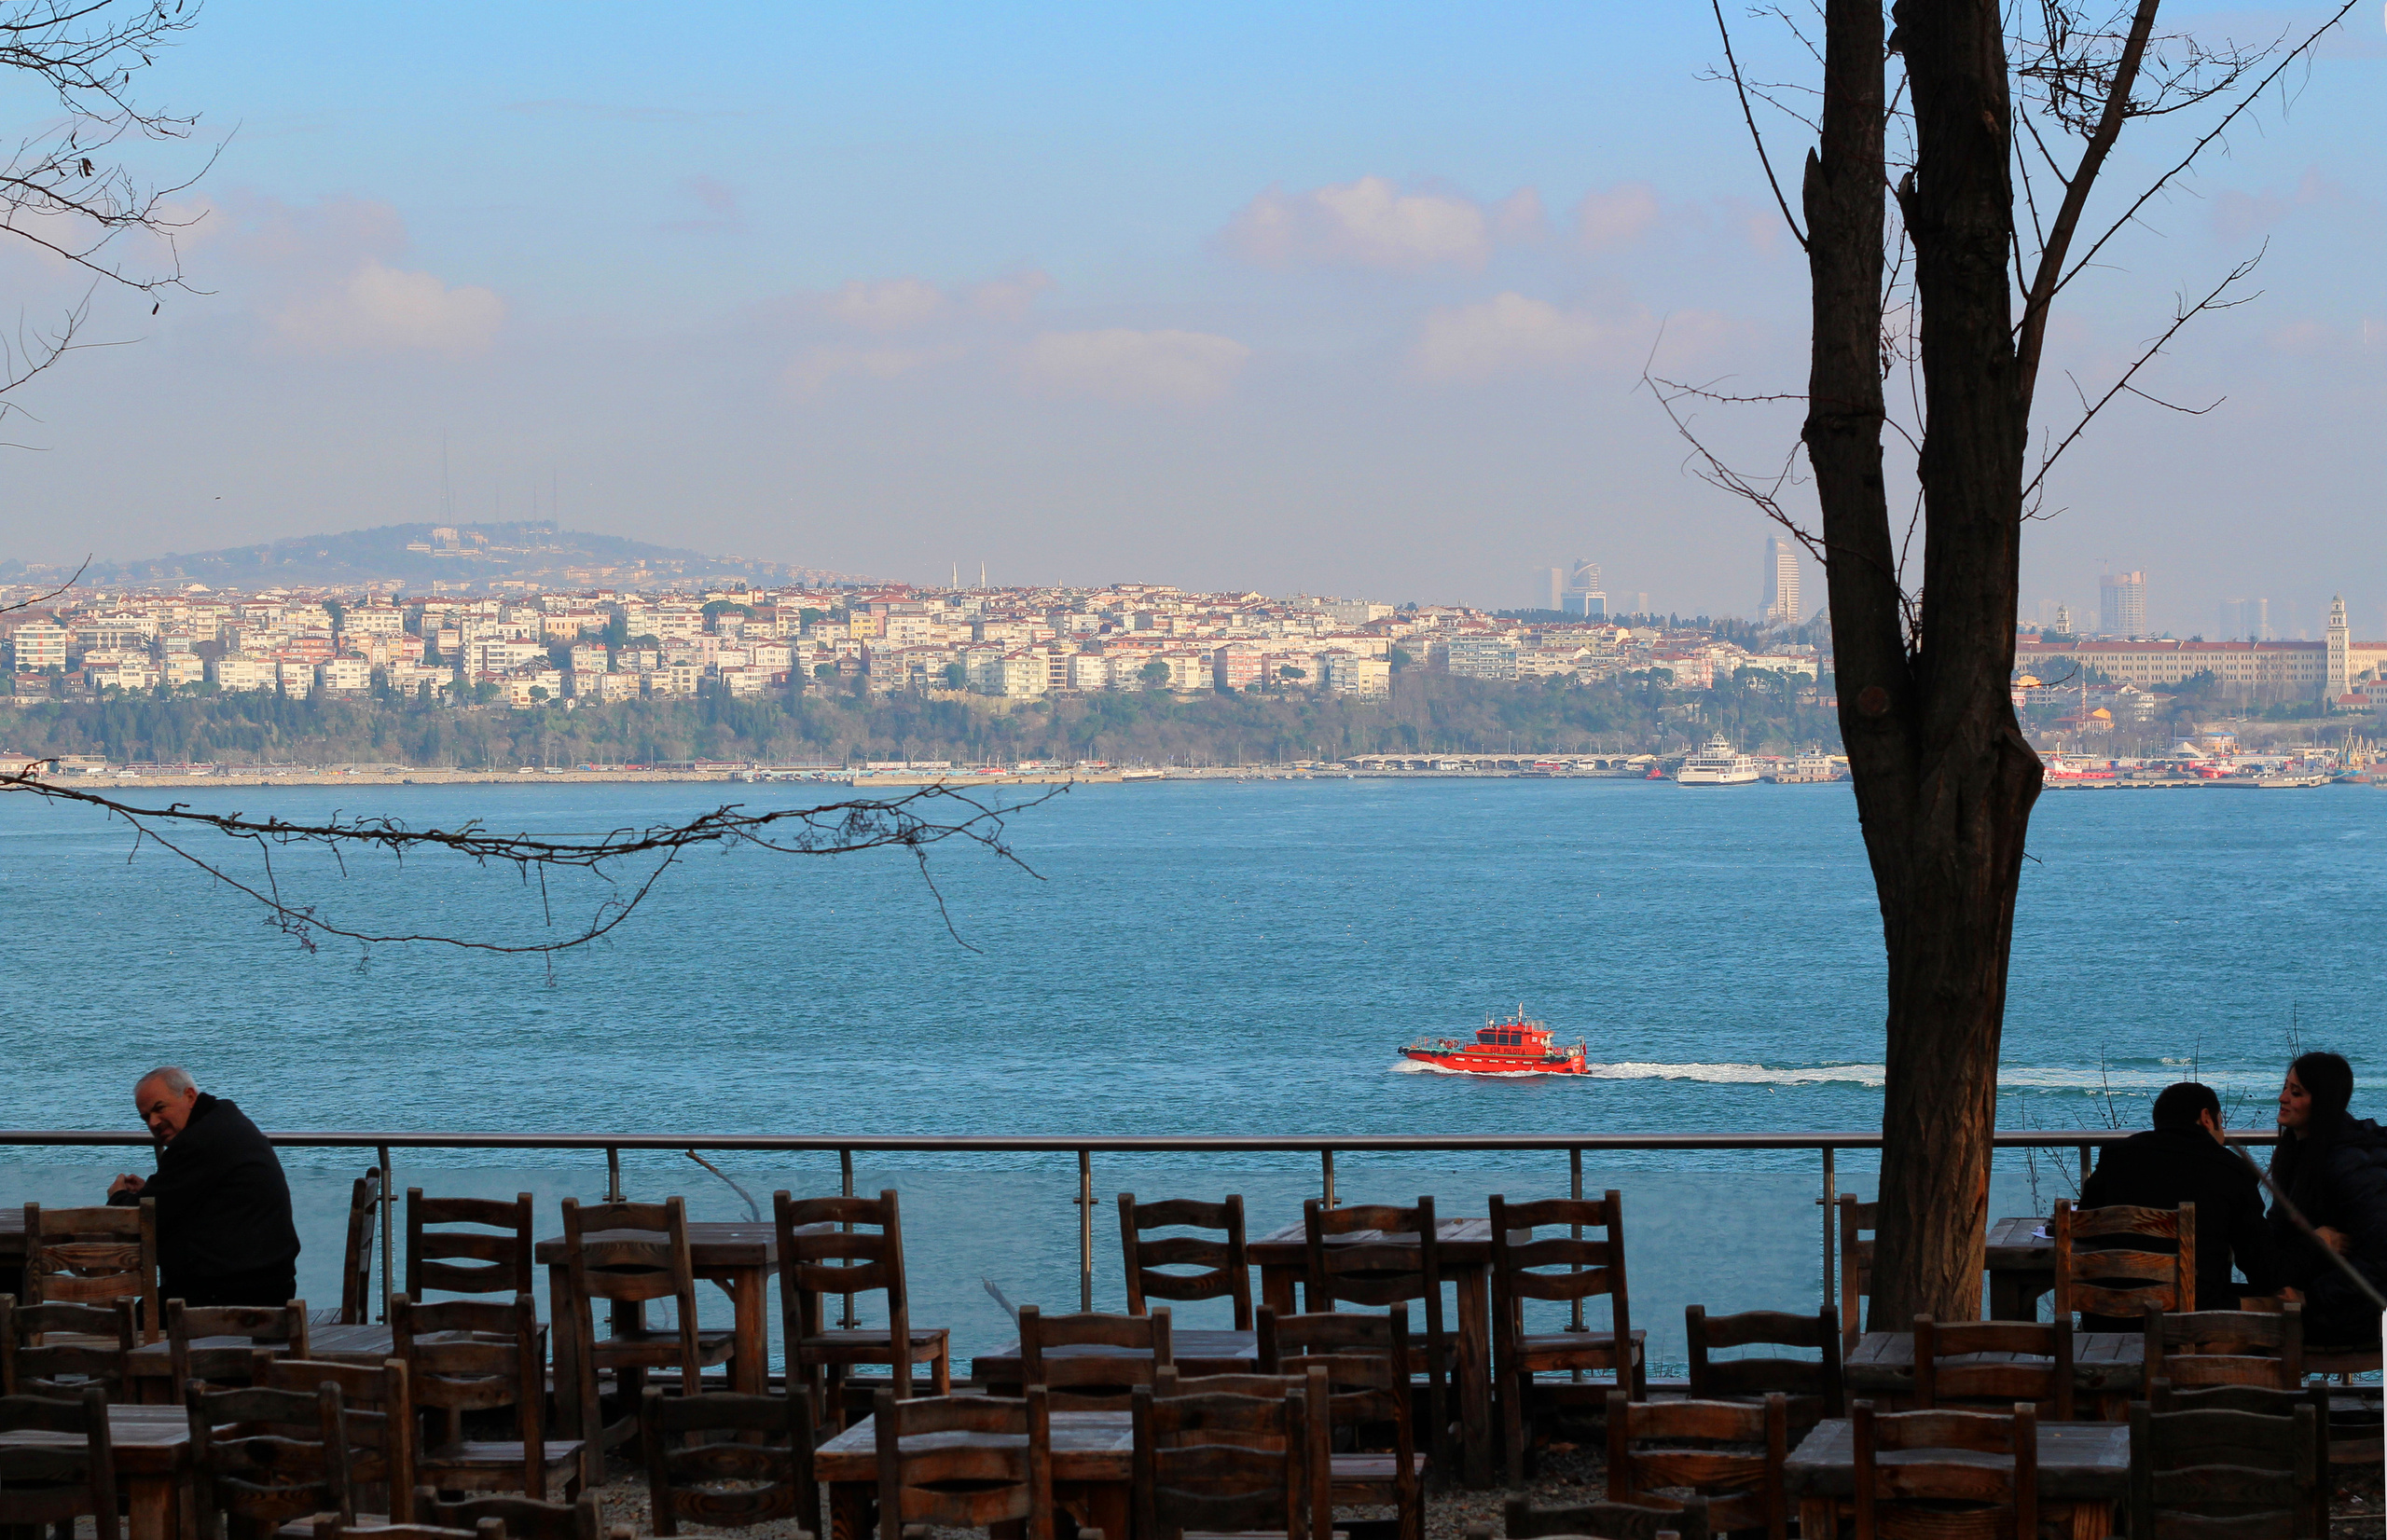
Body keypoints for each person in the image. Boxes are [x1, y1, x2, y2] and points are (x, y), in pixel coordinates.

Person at [2076, 1079, 2277, 1327]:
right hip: (2191, 1317)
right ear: (2206, 1117)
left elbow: (2084, 1229)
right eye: (2221, 1123)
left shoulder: (2116, 1155)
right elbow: (2257, 1261)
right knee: (2281, 1305)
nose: (2222, 1134)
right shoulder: (2232, 1170)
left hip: (2108, 1315)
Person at [106, 1066, 301, 1307]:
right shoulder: (222, 1120)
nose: (154, 1123)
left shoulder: (198, 1143)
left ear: (189, 1096)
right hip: (267, 1283)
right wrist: (148, 1192)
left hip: (235, 1295)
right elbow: (183, 1197)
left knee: (122, 1325)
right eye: (146, 1117)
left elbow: (137, 1221)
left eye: (159, 1108)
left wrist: (118, 1197)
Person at [2267, 1051, 2387, 1345]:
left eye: (2296, 1092)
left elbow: (2380, 1257)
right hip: (2315, 1293)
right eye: (2285, 1088)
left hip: (2354, 1309)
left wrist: (2311, 1297)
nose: (2283, 1098)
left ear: (2322, 1102)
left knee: (2236, 1328)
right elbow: (2276, 1235)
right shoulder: (2298, 1151)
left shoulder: (2350, 1164)